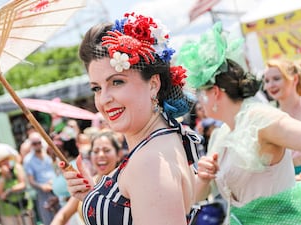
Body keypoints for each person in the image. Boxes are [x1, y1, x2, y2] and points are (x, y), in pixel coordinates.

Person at [59, 12, 201, 224]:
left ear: (153, 84)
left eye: (117, 82)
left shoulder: (150, 162)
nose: (104, 99)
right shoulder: (166, 138)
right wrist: (94, 198)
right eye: (96, 88)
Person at [177, 22, 301, 224]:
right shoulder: (219, 136)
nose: (199, 103)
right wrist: (203, 176)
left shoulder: (260, 118)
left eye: (201, 94)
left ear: (215, 93)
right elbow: (196, 198)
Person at [51, 130, 121, 225]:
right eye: (95, 151)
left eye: (106, 150)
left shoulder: (125, 185)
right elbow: (63, 215)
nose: (101, 155)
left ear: (118, 155)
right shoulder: (86, 183)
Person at [263, 58, 301, 188]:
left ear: (294, 79)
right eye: (266, 81)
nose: (270, 85)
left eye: (276, 79)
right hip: (292, 184)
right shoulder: (270, 118)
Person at [23, 132, 58, 225]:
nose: (38, 145)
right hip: (43, 193)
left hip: (56, 189)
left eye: (39, 142)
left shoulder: (48, 154)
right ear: (31, 145)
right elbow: (31, 181)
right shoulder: (28, 160)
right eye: (35, 143)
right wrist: (42, 186)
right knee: (49, 220)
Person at [0, 150, 34, 225]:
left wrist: (9, 191)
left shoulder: (17, 168)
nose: (6, 162)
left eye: (6, 159)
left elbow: (22, 184)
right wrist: (4, 177)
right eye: (2, 161)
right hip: (7, 210)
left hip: (23, 206)